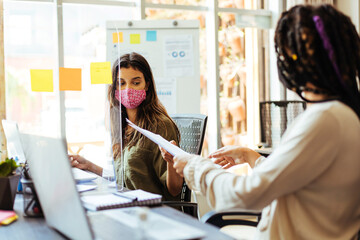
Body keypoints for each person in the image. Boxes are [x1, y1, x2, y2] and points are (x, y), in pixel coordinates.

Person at [164, 4, 360, 239]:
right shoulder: (344, 114)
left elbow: (248, 194)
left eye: (293, 54)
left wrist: (193, 165)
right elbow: (290, 180)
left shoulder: (326, 119)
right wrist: (251, 157)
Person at [71, 52, 183, 201]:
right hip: (126, 204)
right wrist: (89, 166)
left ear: (147, 85)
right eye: (121, 83)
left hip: (151, 212)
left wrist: (171, 162)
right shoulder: (122, 124)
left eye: (136, 83)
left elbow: (175, 191)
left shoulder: (161, 126)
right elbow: (124, 179)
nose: (128, 89)